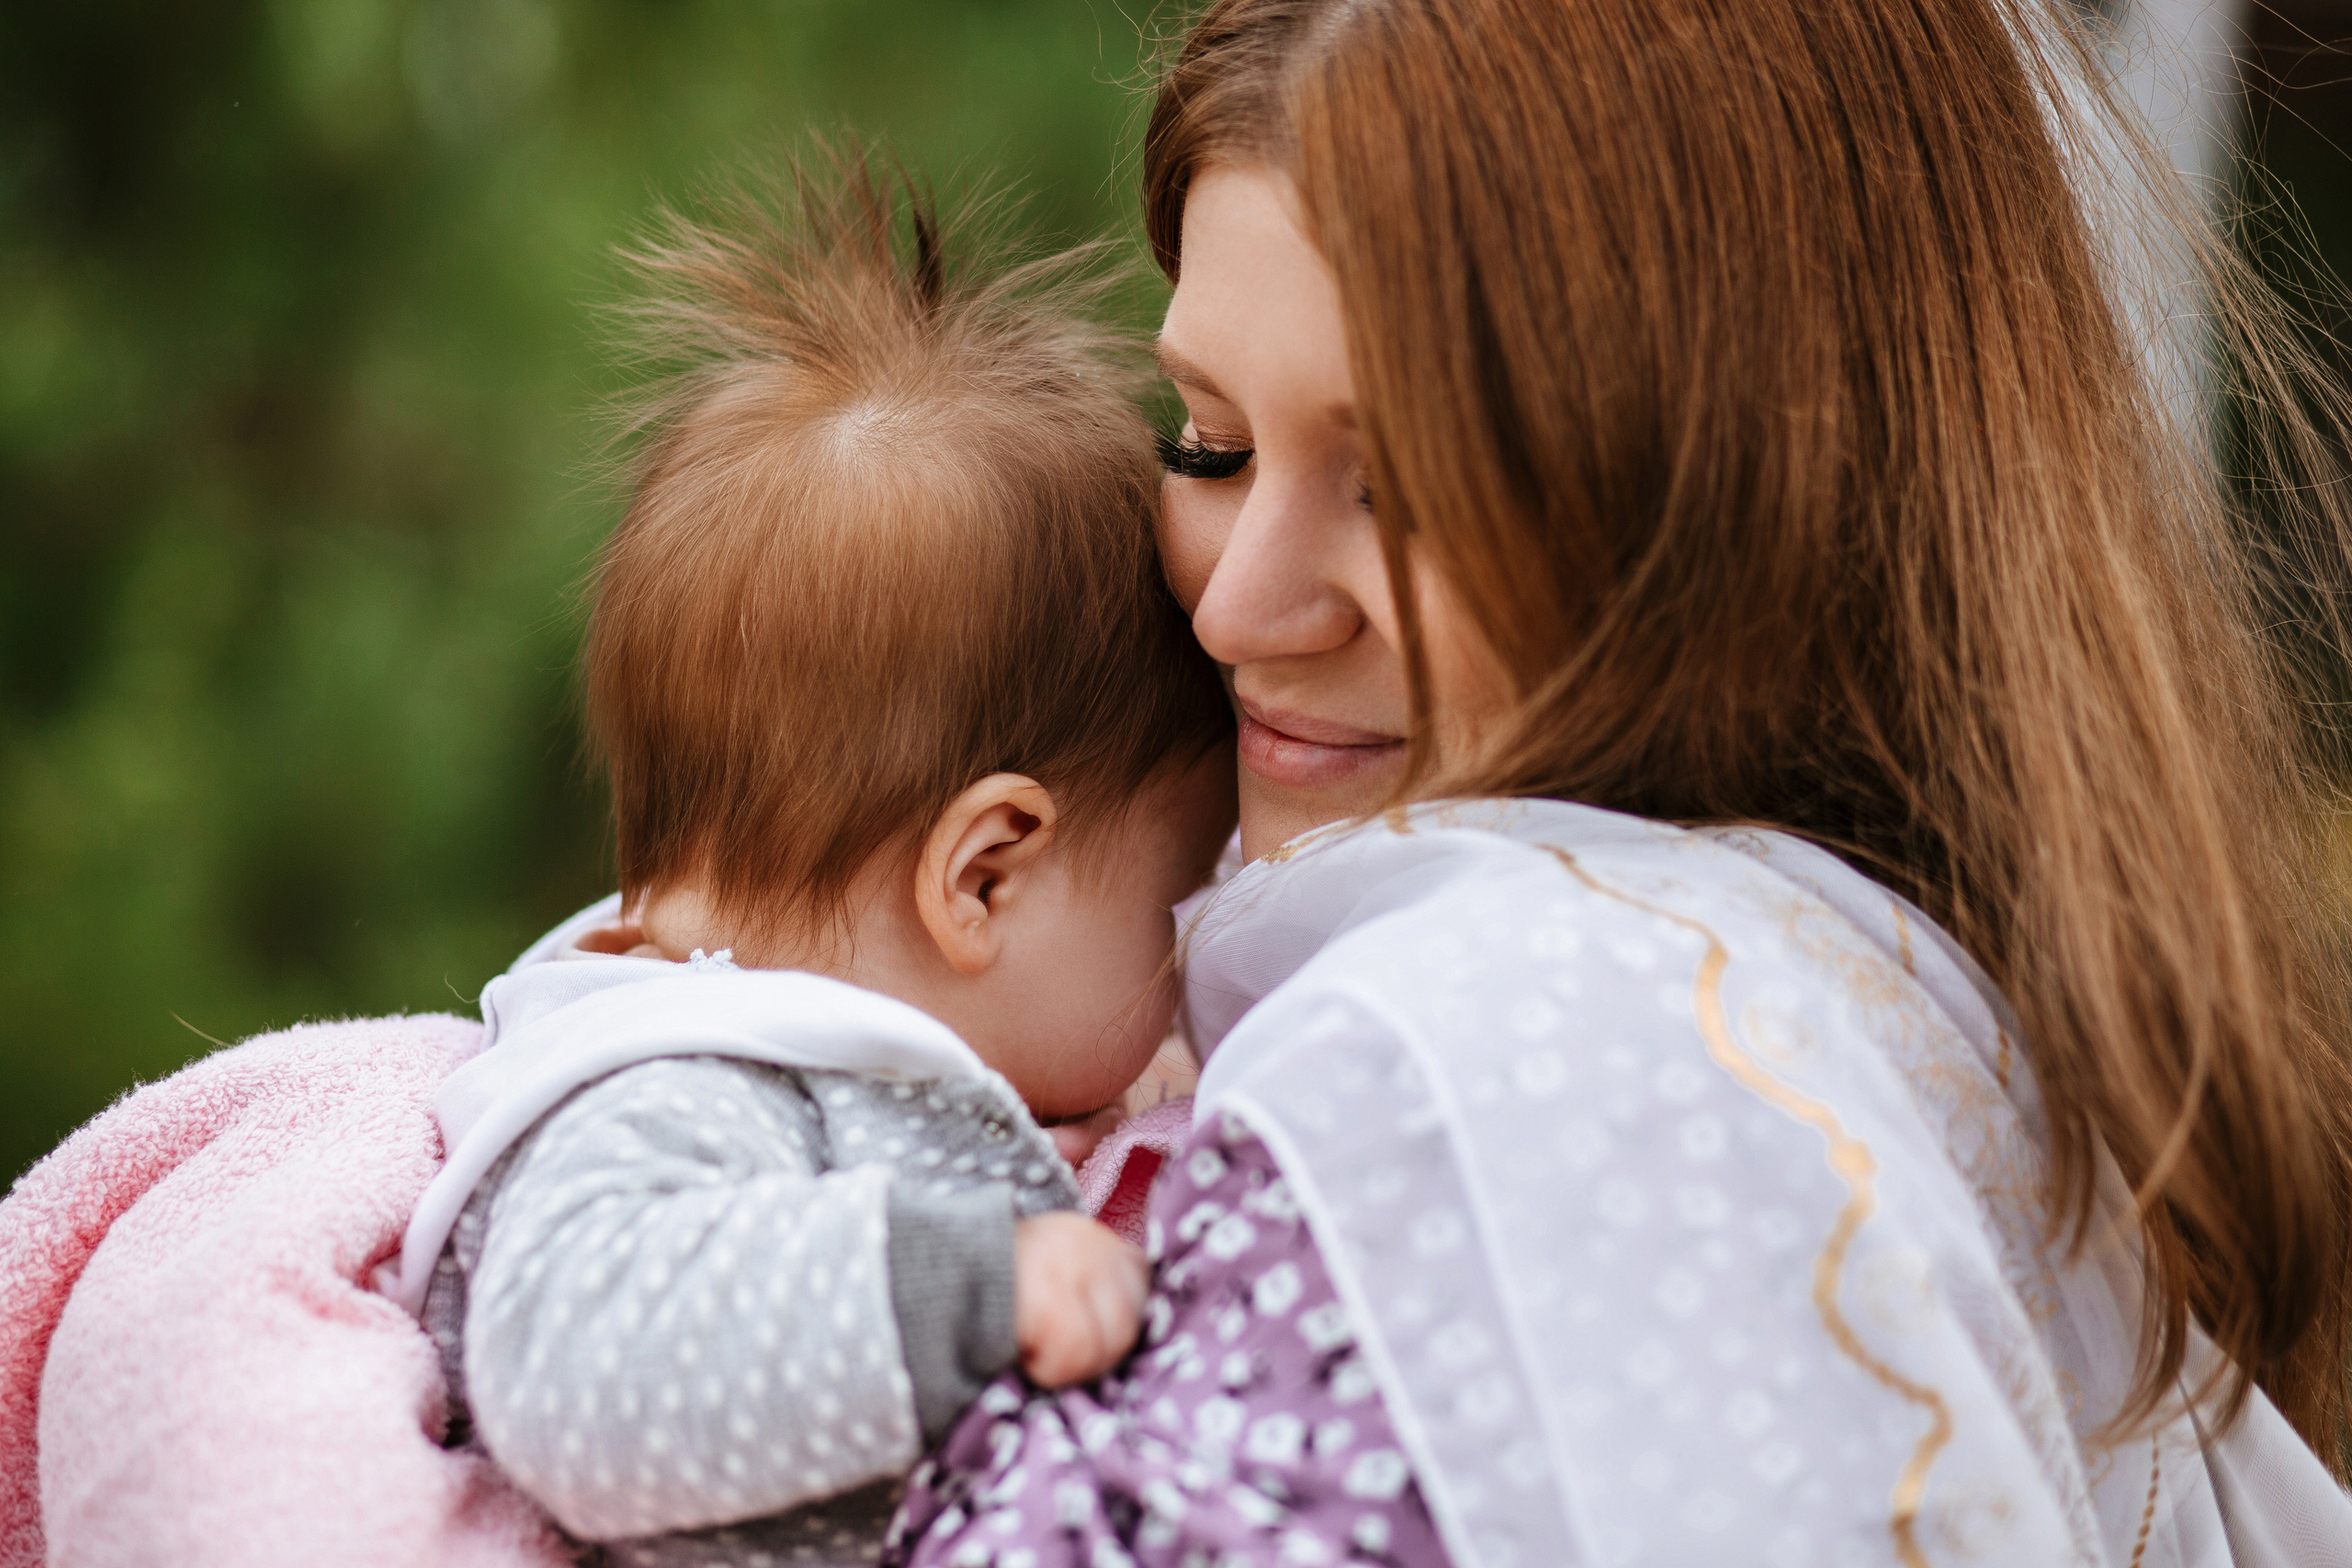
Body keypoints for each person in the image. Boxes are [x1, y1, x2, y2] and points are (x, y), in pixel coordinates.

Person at [885, 2, 2352, 1564]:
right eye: (1208, 445)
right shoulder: (1894, 1025)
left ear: (1767, 485)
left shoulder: (1515, 1053)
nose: (1240, 607)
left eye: (1410, 488)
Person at [376, 152, 1238, 1567]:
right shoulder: (687, 1085)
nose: (1186, 953)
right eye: (1177, 892)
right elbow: (573, 1362)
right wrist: (973, 1287)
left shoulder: (780, 1033)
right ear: (983, 877)